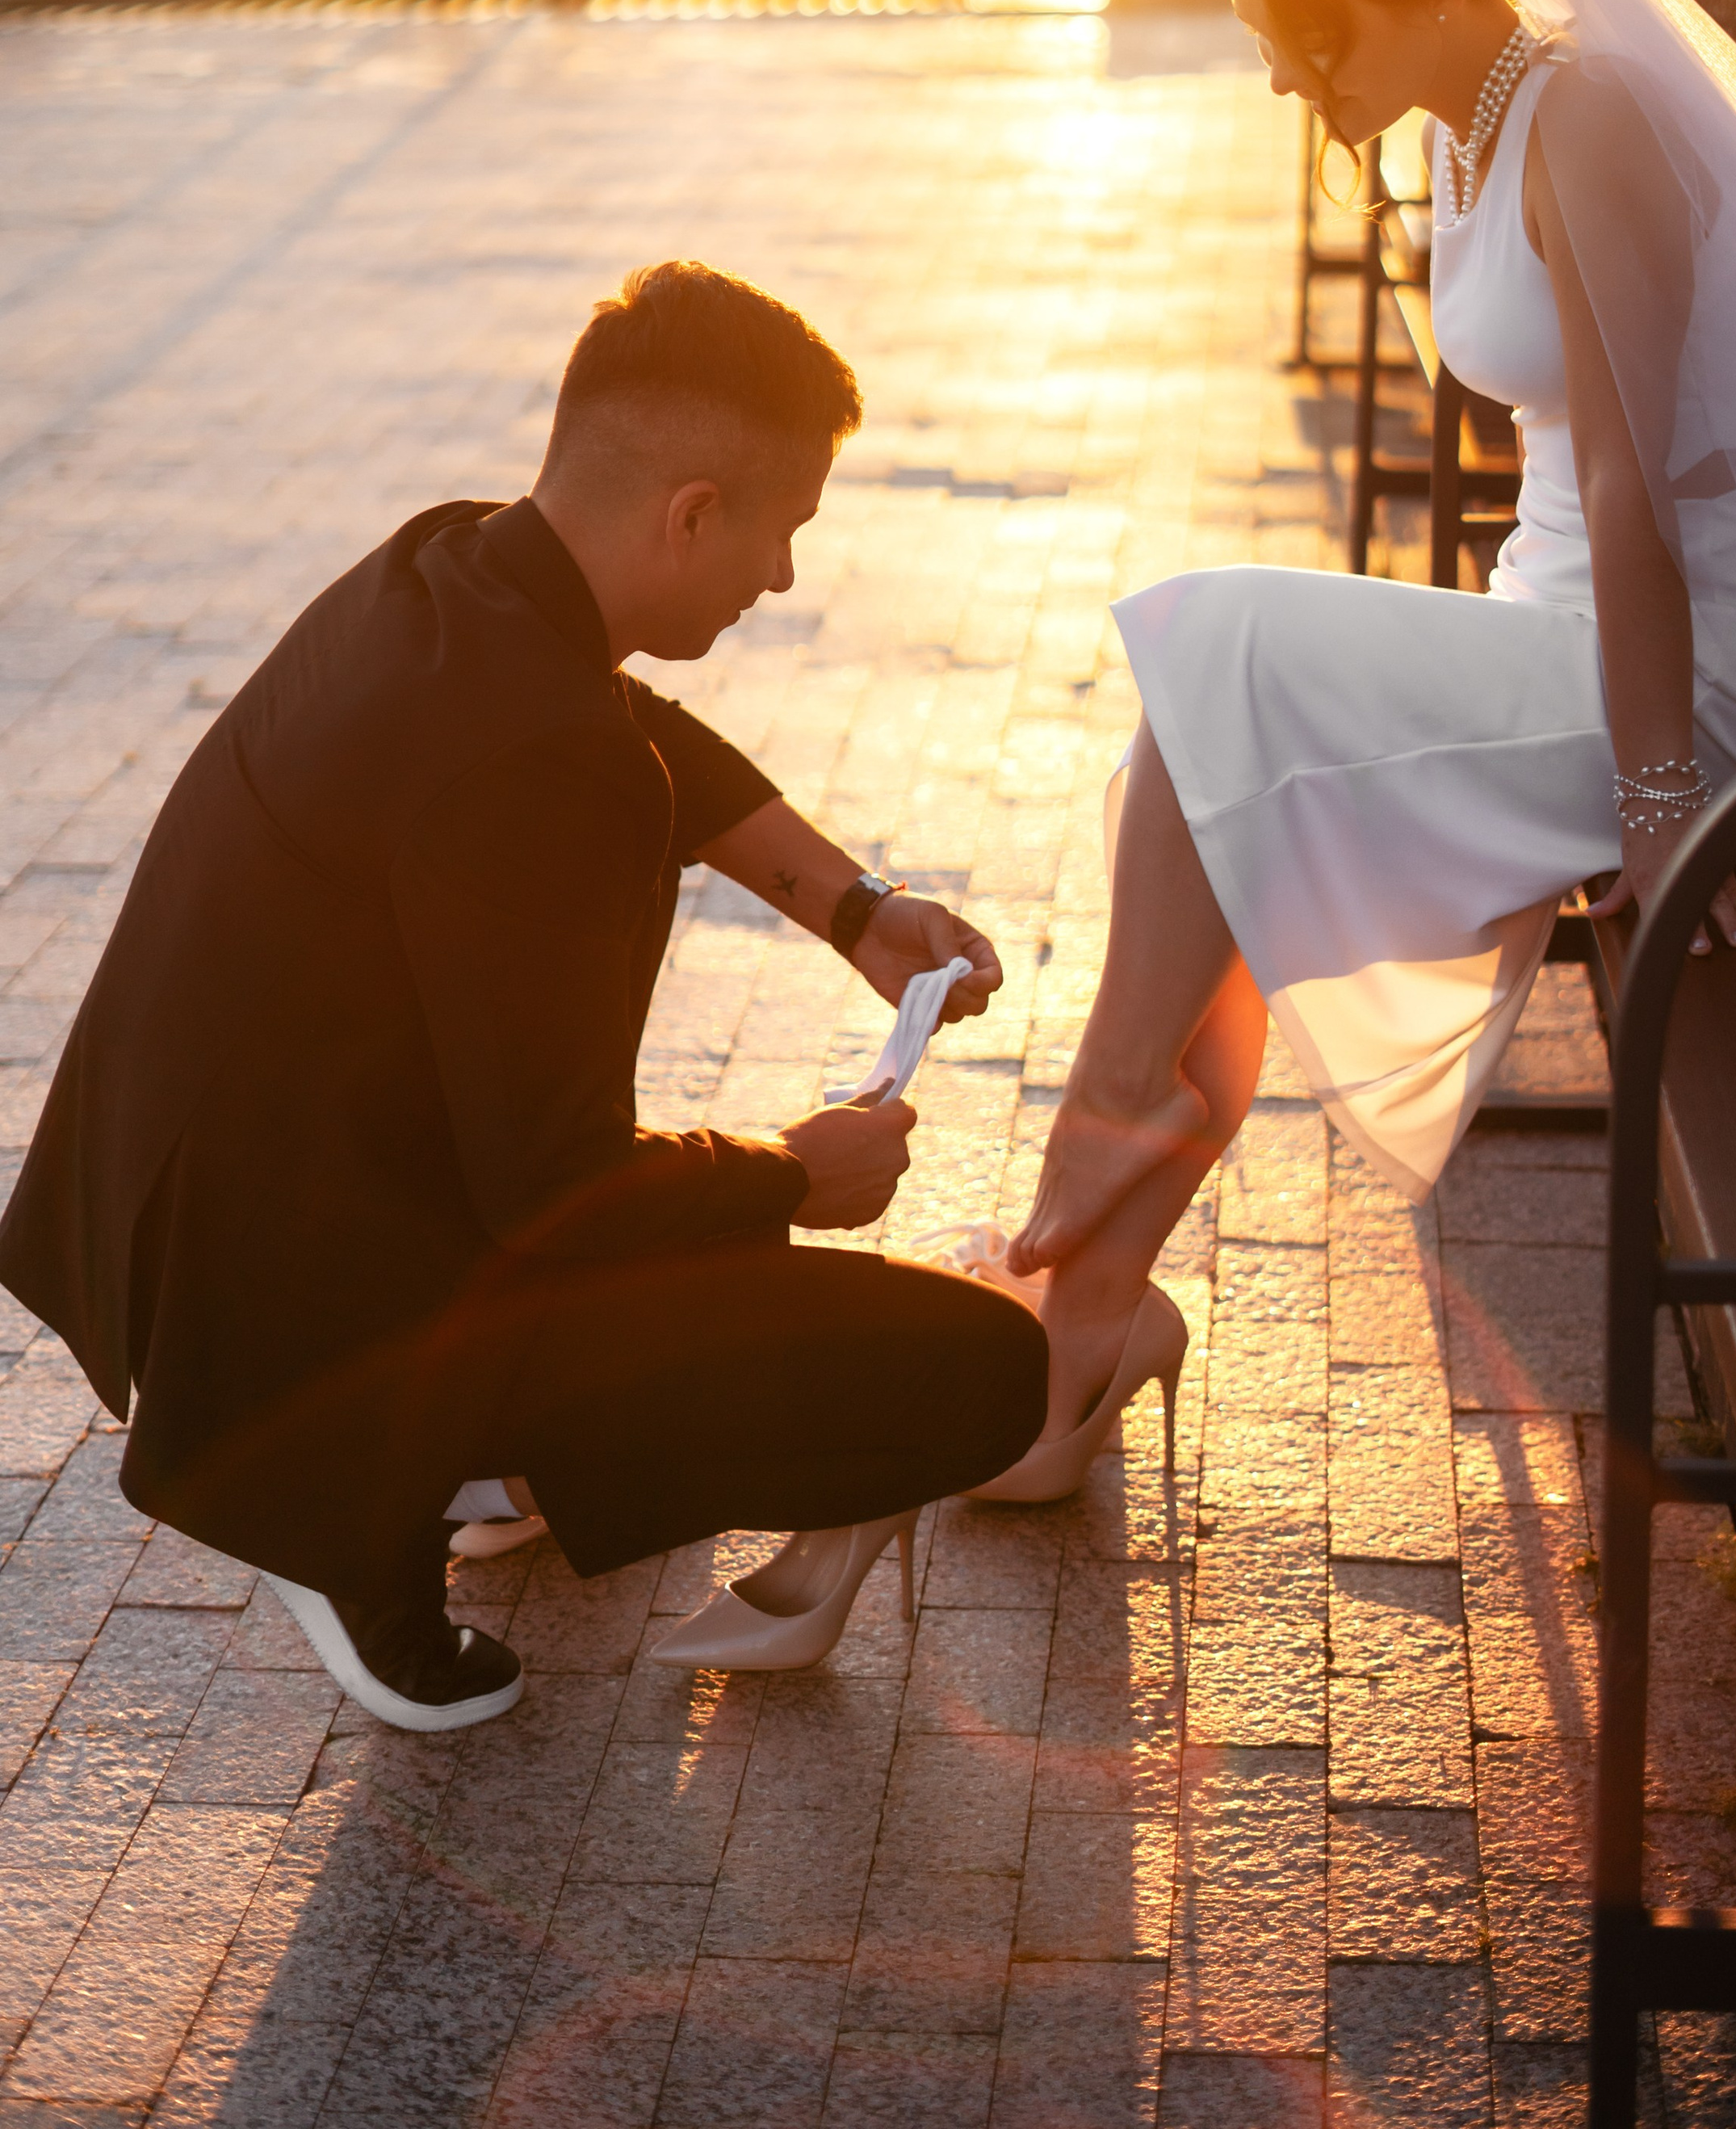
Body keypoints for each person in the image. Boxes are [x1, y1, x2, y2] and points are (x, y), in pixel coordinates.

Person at [974, 0, 1736, 1491]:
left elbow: (1647, 501)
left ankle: (1090, 1241)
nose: (1283, 75)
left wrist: (1657, 803)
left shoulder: (1587, 118)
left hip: (1715, 665)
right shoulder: (1465, 118)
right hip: (1572, 614)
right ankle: (1090, 1314)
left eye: (1303, 34)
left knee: (1212, 670)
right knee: (1207, 749)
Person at [0, 263, 1046, 1728]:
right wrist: (798, 1174)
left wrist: (853, 910)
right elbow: (556, 1186)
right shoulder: (545, 767)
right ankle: (367, 1513)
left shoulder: (447, 569)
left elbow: (623, 715)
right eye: (783, 531)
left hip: (165, 1235)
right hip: (293, 1343)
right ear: (692, 512)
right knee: (983, 1368)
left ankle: (489, 1458)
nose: (784, 580)